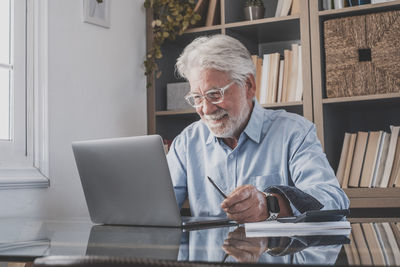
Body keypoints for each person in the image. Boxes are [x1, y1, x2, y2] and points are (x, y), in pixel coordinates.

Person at [166, 34, 349, 223]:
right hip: (209, 252)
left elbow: (333, 199)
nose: (206, 109)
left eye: (214, 94)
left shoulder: (294, 132)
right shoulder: (187, 142)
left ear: (249, 86)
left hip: (274, 251)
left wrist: (270, 204)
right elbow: (156, 209)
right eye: (197, 97)